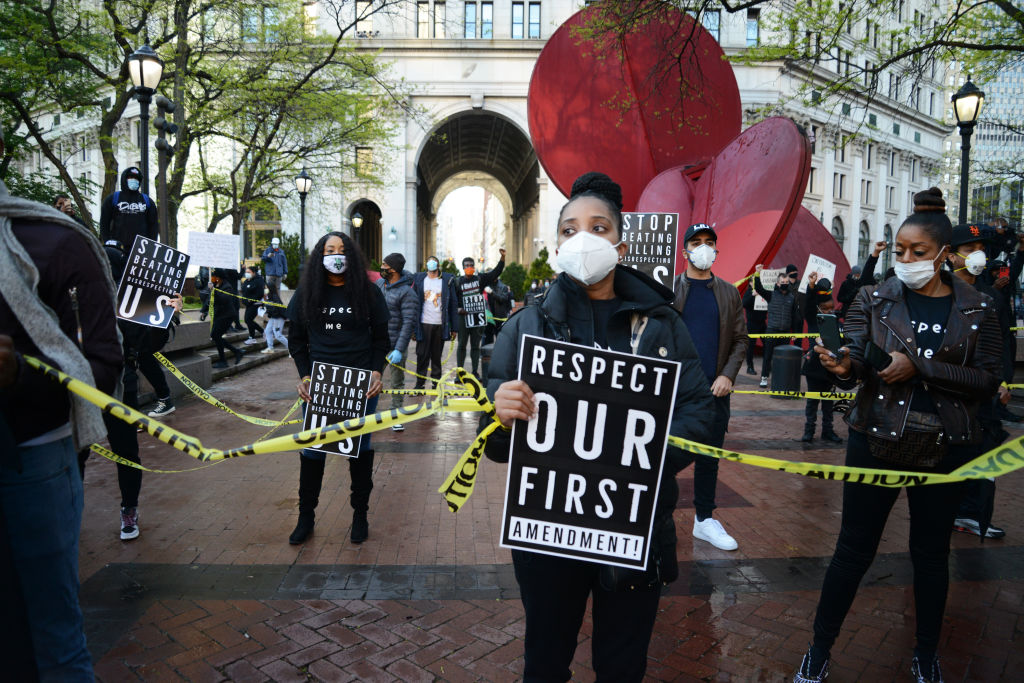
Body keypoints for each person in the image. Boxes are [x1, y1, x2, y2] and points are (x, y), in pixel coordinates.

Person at [483, 172, 714, 682]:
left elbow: (699, 413)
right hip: (548, 537)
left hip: (633, 529)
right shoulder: (526, 326)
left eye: (598, 227)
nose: (582, 239)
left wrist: (642, 455)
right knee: (545, 664)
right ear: (557, 246)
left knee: (622, 666)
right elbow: (494, 442)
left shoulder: (661, 325)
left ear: (620, 246)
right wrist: (499, 416)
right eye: (569, 230)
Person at [794, 188, 1002, 683]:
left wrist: (921, 368)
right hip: (875, 437)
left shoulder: (978, 308)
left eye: (918, 251)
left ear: (944, 255)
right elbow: (855, 359)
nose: (905, 260)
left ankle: (925, 654)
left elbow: (988, 379)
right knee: (852, 551)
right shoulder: (874, 297)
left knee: (931, 556)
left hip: (946, 447)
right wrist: (842, 366)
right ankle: (819, 650)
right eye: (901, 250)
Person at [1, 122, 122, 679]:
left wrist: (20, 375)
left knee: (51, 633)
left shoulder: (56, 242)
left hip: (32, 458)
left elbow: (102, 363)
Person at [287, 232, 388, 545]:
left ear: (352, 256)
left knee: (359, 451)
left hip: (360, 386)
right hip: (319, 386)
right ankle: (306, 516)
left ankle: (360, 515)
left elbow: (381, 338)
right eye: (330, 250)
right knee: (313, 451)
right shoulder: (306, 293)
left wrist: (376, 371)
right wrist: (305, 377)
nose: (336, 255)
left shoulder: (369, 293)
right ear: (321, 256)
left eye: (342, 250)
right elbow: (296, 341)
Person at [671, 222, 747, 551]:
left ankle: (704, 520)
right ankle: (654, 517)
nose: (703, 247)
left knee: (709, 458)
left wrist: (728, 375)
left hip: (714, 392)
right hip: (675, 393)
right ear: (684, 251)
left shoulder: (729, 293)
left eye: (709, 242)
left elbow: (740, 340)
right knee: (663, 456)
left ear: (716, 250)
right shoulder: (669, 290)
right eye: (696, 242)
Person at [945, 223, 1013, 539]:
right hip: (950, 392)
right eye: (970, 249)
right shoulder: (938, 293)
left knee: (985, 454)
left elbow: (1002, 343)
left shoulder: (991, 296)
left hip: (985, 394)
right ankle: (948, 510)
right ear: (951, 255)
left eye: (982, 249)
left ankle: (975, 514)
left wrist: (1003, 381)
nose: (978, 255)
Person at [376, 252, 418, 432]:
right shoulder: (380, 284)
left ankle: (396, 416)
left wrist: (399, 349)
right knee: (370, 380)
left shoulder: (407, 293)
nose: (382, 268)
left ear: (393, 269)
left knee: (397, 383)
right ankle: (368, 415)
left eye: (384, 265)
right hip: (376, 344)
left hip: (395, 346)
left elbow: (408, 323)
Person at [799, 273, 842, 443]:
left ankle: (828, 430)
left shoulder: (835, 320)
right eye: (825, 309)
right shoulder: (812, 318)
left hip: (831, 366)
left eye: (831, 308)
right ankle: (809, 430)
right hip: (814, 366)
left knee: (828, 401)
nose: (829, 311)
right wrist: (811, 286)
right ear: (818, 308)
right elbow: (809, 303)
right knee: (812, 400)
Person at [455, 249, 505, 376]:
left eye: (471, 265)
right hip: (463, 318)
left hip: (477, 317)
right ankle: (460, 373)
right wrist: (458, 309)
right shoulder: (457, 282)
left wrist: (502, 258)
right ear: (463, 268)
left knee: (475, 346)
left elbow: (495, 273)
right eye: (466, 265)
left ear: (474, 267)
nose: (469, 267)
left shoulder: (480, 279)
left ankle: (474, 371)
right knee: (461, 345)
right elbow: (452, 300)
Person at [412, 256, 459, 389]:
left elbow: (453, 304)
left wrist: (454, 328)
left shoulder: (446, 281)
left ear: (438, 266)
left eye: (434, 262)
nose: (431, 264)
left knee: (436, 356)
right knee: (422, 355)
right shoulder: (420, 280)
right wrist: (413, 328)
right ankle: (419, 384)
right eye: (429, 262)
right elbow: (413, 303)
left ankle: (436, 384)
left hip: (440, 324)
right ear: (426, 265)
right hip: (423, 323)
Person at [753, 263, 802, 388]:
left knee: (782, 357)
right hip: (772, 330)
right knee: (768, 355)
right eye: (783, 282)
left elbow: (795, 317)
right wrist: (757, 274)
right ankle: (764, 377)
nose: (785, 283)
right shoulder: (771, 295)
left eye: (786, 282)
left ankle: (780, 378)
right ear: (778, 283)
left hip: (785, 332)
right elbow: (759, 288)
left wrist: (795, 333)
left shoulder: (792, 297)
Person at [99, 166, 158, 248]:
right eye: (130, 177)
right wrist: (108, 241)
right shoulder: (113, 199)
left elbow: (153, 227)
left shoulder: (147, 201)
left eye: (136, 178)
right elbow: (104, 223)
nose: (134, 180)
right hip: (117, 247)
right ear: (124, 179)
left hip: (141, 249)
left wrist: (151, 246)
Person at [836, 240, 885, 320]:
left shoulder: (863, 282)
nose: (857, 276)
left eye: (858, 275)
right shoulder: (846, 283)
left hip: (861, 314)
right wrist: (852, 294)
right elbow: (840, 298)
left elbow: (868, 271)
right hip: (848, 313)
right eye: (856, 275)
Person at [208, 268, 246, 369]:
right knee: (216, 336)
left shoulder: (227, 286)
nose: (212, 278)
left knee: (216, 335)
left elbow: (224, 299)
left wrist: (214, 290)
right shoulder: (217, 285)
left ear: (219, 277)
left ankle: (225, 360)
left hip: (227, 315)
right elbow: (211, 300)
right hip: (219, 315)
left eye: (214, 276)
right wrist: (204, 311)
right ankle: (236, 352)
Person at [741, 282, 766, 375]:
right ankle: (750, 367)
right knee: (751, 346)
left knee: (767, 344)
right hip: (752, 323)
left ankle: (767, 366)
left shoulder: (763, 291)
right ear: (750, 283)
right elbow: (744, 303)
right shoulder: (749, 292)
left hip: (762, 322)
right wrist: (753, 295)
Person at [240, 265, 266, 345]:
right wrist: (245, 300)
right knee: (248, 320)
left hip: (256, 303)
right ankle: (263, 332)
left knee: (248, 319)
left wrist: (251, 300)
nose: (247, 274)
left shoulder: (259, 280)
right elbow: (244, 291)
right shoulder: (246, 281)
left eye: (249, 272)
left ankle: (252, 337)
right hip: (248, 304)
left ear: (254, 273)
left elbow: (260, 293)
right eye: (246, 272)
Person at [483, 279, 513, 346]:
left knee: (500, 340)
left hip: (499, 317)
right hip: (489, 317)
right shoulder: (486, 286)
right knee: (487, 341)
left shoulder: (503, 287)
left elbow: (503, 299)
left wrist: (492, 292)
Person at [260, 285, 289, 353]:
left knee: (278, 335)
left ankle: (292, 348)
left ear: (270, 288)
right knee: (267, 331)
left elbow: (278, 308)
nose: (265, 289)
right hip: (273, 317)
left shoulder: (275, 297)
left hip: (278, 317)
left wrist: (268, 311)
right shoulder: (269, 297)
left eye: (266, 288)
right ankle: (270, 348)